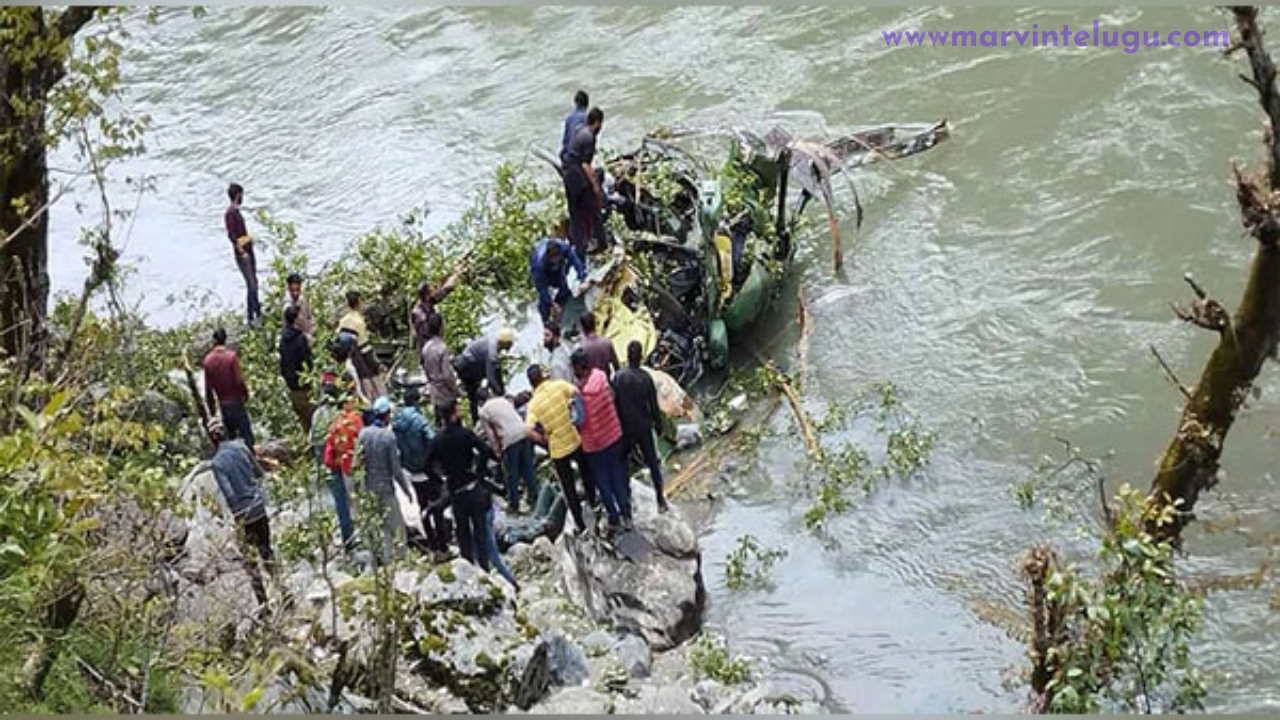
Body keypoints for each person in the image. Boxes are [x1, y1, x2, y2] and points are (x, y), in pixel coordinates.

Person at [207, 416, 275, 605]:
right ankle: (283, 591)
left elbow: (229, 495)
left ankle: (264, 604)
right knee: (267, 551)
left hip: (243, 515)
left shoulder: (217, 463)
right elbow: (259, 473)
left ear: (212, 439)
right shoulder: (242, 447)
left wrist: (237, 519)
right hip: (259, 508)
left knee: (250, 561)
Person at [424, 400, 499, 569]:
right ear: (454, 413)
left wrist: (441, 479)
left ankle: (468, 568)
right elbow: (485, 451)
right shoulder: (465, 434)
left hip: (455, 491)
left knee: (463, 532)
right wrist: (479, 470)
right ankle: (485, 568)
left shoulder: (438, 440)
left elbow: (426, 466)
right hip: (472, 485)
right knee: (480, 530)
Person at [524, 364, 596, 534]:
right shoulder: (558, 385)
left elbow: (527, 429)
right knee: (586, 473)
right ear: (542, 376)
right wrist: (574, 414)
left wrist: (542, 439)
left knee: (568, 488)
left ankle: (580, 524)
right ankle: (593, 502)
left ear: (531, 383)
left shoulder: (533, 404)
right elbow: (576, 392)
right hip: (573, 438)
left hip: (557, 448)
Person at [571, 348, 632, 532]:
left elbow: (580, 420)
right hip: (613, 434)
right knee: (617, 476)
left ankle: (614, 518)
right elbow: (612, 397)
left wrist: (571, 412)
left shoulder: (580, 394)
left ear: (579, 368)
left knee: (603, 481)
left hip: (595, 444)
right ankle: (627, 515)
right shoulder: (601, 377)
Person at [614, 340, 668, 512]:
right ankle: (660, 499)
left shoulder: (619, 377)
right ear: (641, 357)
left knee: (623, 463)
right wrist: (659, 425)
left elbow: (614, 403)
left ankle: (626, 497)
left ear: (628, 357)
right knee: (653, 462)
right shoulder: (645, 378)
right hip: (643, 426)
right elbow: (653, 405)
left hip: (626, 427)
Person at [393, 387, 449, 553]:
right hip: (427, 470)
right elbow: (432, 440)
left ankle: (431, 544)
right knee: (436, 507)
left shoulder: (396, 422)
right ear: (417, 401)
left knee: (422, 506)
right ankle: (443, 545)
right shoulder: (419, 420)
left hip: (411, 471)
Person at [358, 397, 413, 565]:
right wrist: (407, 491)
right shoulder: (388, 437)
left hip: (368, 488)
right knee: (397, 528)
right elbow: (396, 469)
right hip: (386, 488)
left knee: (380, 528)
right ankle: (402, 561)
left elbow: (357, 462)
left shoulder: (363, 434)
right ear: (387, 414)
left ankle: (384, 560)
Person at [478, 386, 539, 514]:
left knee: (512, 475)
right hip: (523, 431)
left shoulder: (483, 412)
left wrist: (497, 452)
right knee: (528, 469)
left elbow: (491, 435)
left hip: (509, 440)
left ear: (480, 401)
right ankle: (536, 498)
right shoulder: (502, 400)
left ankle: (513, 505)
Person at [321, 381, 361, 549]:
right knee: (356, 503)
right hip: (347, 466)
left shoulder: (318, 415)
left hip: (330, 464)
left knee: (342, 506)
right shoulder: (348, 420)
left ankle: (348, 541)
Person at [203, 327, 255, 450]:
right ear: (225, 340)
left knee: (230, 440)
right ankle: (251, 464)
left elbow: (208, 390)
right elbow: (239, 381)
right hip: (236, 402)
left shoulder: (208, 360)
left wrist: (212, 411)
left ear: (213, 341)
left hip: (222, 404)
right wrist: (245, 394)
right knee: (247, 438)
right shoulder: (231, 357)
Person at [562, 107, 605, 255]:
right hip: (578, 178)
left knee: (576, 216)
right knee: (594, 210)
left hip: (568, 177)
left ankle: (579, 250)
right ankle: (602, 244)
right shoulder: (590, 137)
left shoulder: (580, 130)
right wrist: (596, 187)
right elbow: (586, 165)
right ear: (598, 122)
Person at [453, 327, 515, 424]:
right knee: (474, 394)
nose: (511, 346)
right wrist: (500, 394)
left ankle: (480, 415)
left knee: (493, 375)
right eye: (510, 344)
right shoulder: (492, 352)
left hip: (471, 362)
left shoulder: (495, 341)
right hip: (466, 366)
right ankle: (478, 421)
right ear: (505, 343)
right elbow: (491, 377)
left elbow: (496, 370)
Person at [530, 223, 586, 324]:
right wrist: (551, 303)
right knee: (544, 302)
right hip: (544, 271)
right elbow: (542, 289)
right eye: (553, 261)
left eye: (558, 259)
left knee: (563, 287)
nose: (555, 262)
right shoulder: (539, 265)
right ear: (549, 258)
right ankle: (546, 322)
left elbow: (576, 262)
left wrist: (582, 280)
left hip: (558, 269)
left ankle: (565, 308)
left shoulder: (563, 247)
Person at [338, 290, 385, 401]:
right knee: (370, 387)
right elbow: (364, 347)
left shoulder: (342, 321)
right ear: (359, 302)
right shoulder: (359, 321)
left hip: (346, 361)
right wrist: (376, 364)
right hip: (358, 360)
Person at [224, 183, 261, 323]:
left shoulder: (235, 211)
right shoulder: (230, 213)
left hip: (247, 250)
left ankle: (257, 312)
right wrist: (242, 251)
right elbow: (232, 236)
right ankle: (251, 317)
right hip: (243, 253)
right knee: (251, 285)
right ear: (238, 195)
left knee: (254, 283)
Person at [279, 305, 315, 434]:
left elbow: (282, 366)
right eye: (300, 316)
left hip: (293, 389)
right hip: (305, 388)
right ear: (296, 319)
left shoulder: (283, 340)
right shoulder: (300, 339)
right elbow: (308, 364)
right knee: (314, 425)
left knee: (304, 425)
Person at [420, 313, 461, 424]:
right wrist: (455, 389)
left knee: (439, 423)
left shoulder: (426, 347)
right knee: (453, 422)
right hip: (446, 393)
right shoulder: (441, 348)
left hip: (434, 391)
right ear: (440, 328)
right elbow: (447, 374)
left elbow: (425, 369)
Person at [412, 273, 459, 352]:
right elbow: (423, 334)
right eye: (432, 290)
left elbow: (445, 289)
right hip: (428, 349)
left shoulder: (429, 302)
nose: (435, 291)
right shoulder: (419, 314)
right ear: (427, 294)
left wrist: (456, 274)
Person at [285, 272, 316, 344]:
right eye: (292, 290)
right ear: (288, 288)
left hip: (307, 338)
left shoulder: (303, 300)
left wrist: (311, 331)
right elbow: (287, 328)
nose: (295, 293)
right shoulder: (287, 305)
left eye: (297, 290)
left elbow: (310, 317)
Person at [560, 90, 589, 162]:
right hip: (576, 159)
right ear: (587, 104)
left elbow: (565, 140)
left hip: (565, 155)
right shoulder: (586, 118)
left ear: (575, 103)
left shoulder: (569, 117)